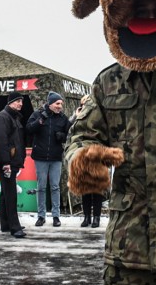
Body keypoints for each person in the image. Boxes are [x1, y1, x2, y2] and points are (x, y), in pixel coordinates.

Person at [26, 91, 70, 227]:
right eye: (57, 104)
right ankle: (41, 216)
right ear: (50, 104)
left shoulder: (62, 118)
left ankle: (56, 216)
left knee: (55, 187)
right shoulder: (38, 114)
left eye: (61, 104)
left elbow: (68, 133)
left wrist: (62, 136)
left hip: (56, 157)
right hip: (40, 157)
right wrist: (41, 120)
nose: (60, 106)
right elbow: (28, 129)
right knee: (41, 187)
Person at [0, 91, 27, 238]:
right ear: (10, 102)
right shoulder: (3, 117)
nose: (21, 104)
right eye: (18, 101)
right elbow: (1, 141)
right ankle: (15, 227)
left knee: (6, 192)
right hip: (6, 162)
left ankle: (5, 224)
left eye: (22, 101)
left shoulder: (13, 117)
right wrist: (5, 162)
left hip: (12, 161)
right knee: (10, 193)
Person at [69, 95, 103, 228]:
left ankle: (96, 218)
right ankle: (87, 216)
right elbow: (70, 130)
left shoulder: (99, 116)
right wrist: (75, 117)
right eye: (83, 104)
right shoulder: (78, 117)